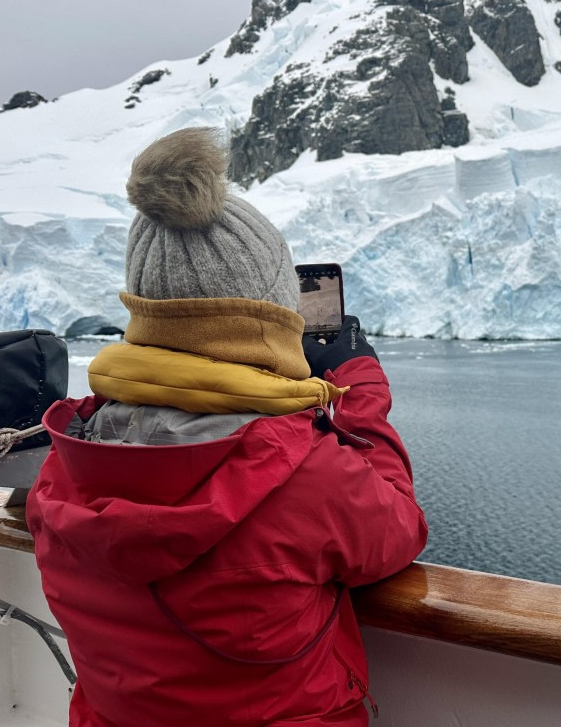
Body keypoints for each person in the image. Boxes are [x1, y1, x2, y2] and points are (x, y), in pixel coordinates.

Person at [27, 127, 427, 727]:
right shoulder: (305, 474)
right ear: (270, 313)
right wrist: (358, 391)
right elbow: (397, 531)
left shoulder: (69, 460)